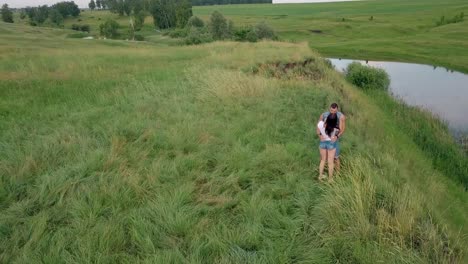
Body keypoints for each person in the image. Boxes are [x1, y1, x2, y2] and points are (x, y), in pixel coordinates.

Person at [316, 103, 346, 182]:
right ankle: (330, 178)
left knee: (332, 158)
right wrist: (320, 136)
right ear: (329, 109)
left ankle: (323, 175)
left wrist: (336, 137)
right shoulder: (325, 116)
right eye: (332, 110)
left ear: (337, 110)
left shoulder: (340, 117)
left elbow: (342, 129)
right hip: (331, 143)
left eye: (335, 111)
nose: (333, 112)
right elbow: (339, 129)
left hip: (325, 142)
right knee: (330, 161)